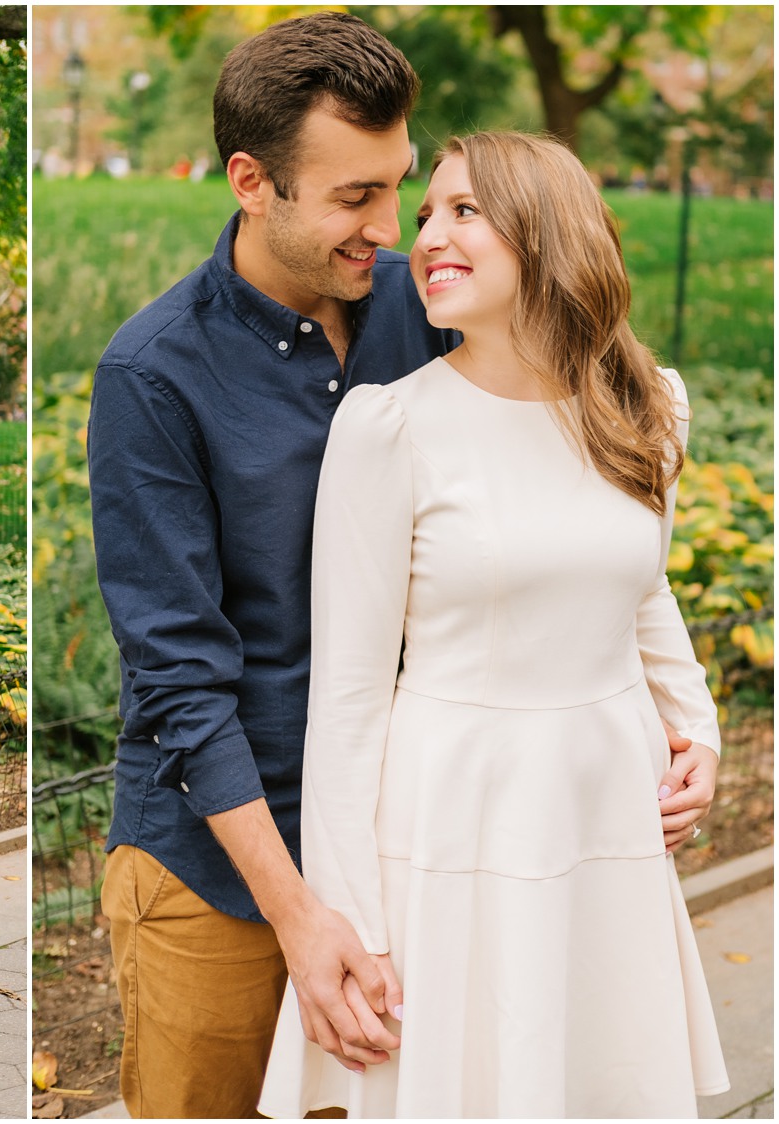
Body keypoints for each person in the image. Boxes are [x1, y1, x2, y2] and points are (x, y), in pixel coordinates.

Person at [85, 14, 718, 1119]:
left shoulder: (422, 317)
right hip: (219, 863)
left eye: (402, 190)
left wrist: (681, 719)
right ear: (251, 180)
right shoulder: (154, 374)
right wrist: (303, 910)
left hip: (414, 847)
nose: (388, 229)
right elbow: (181, 679)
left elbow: (577, 515)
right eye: (356, 198)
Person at [259, 131, 729, 1118]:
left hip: (604, 807)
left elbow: (642, 587)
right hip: (450, 818)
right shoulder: (391, 428)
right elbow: (346, 699)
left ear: (545, 230)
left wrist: (701, 732)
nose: (427, 234)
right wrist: (353, 926)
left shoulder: (650, 406)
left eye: (463, 210)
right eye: (426, 213)